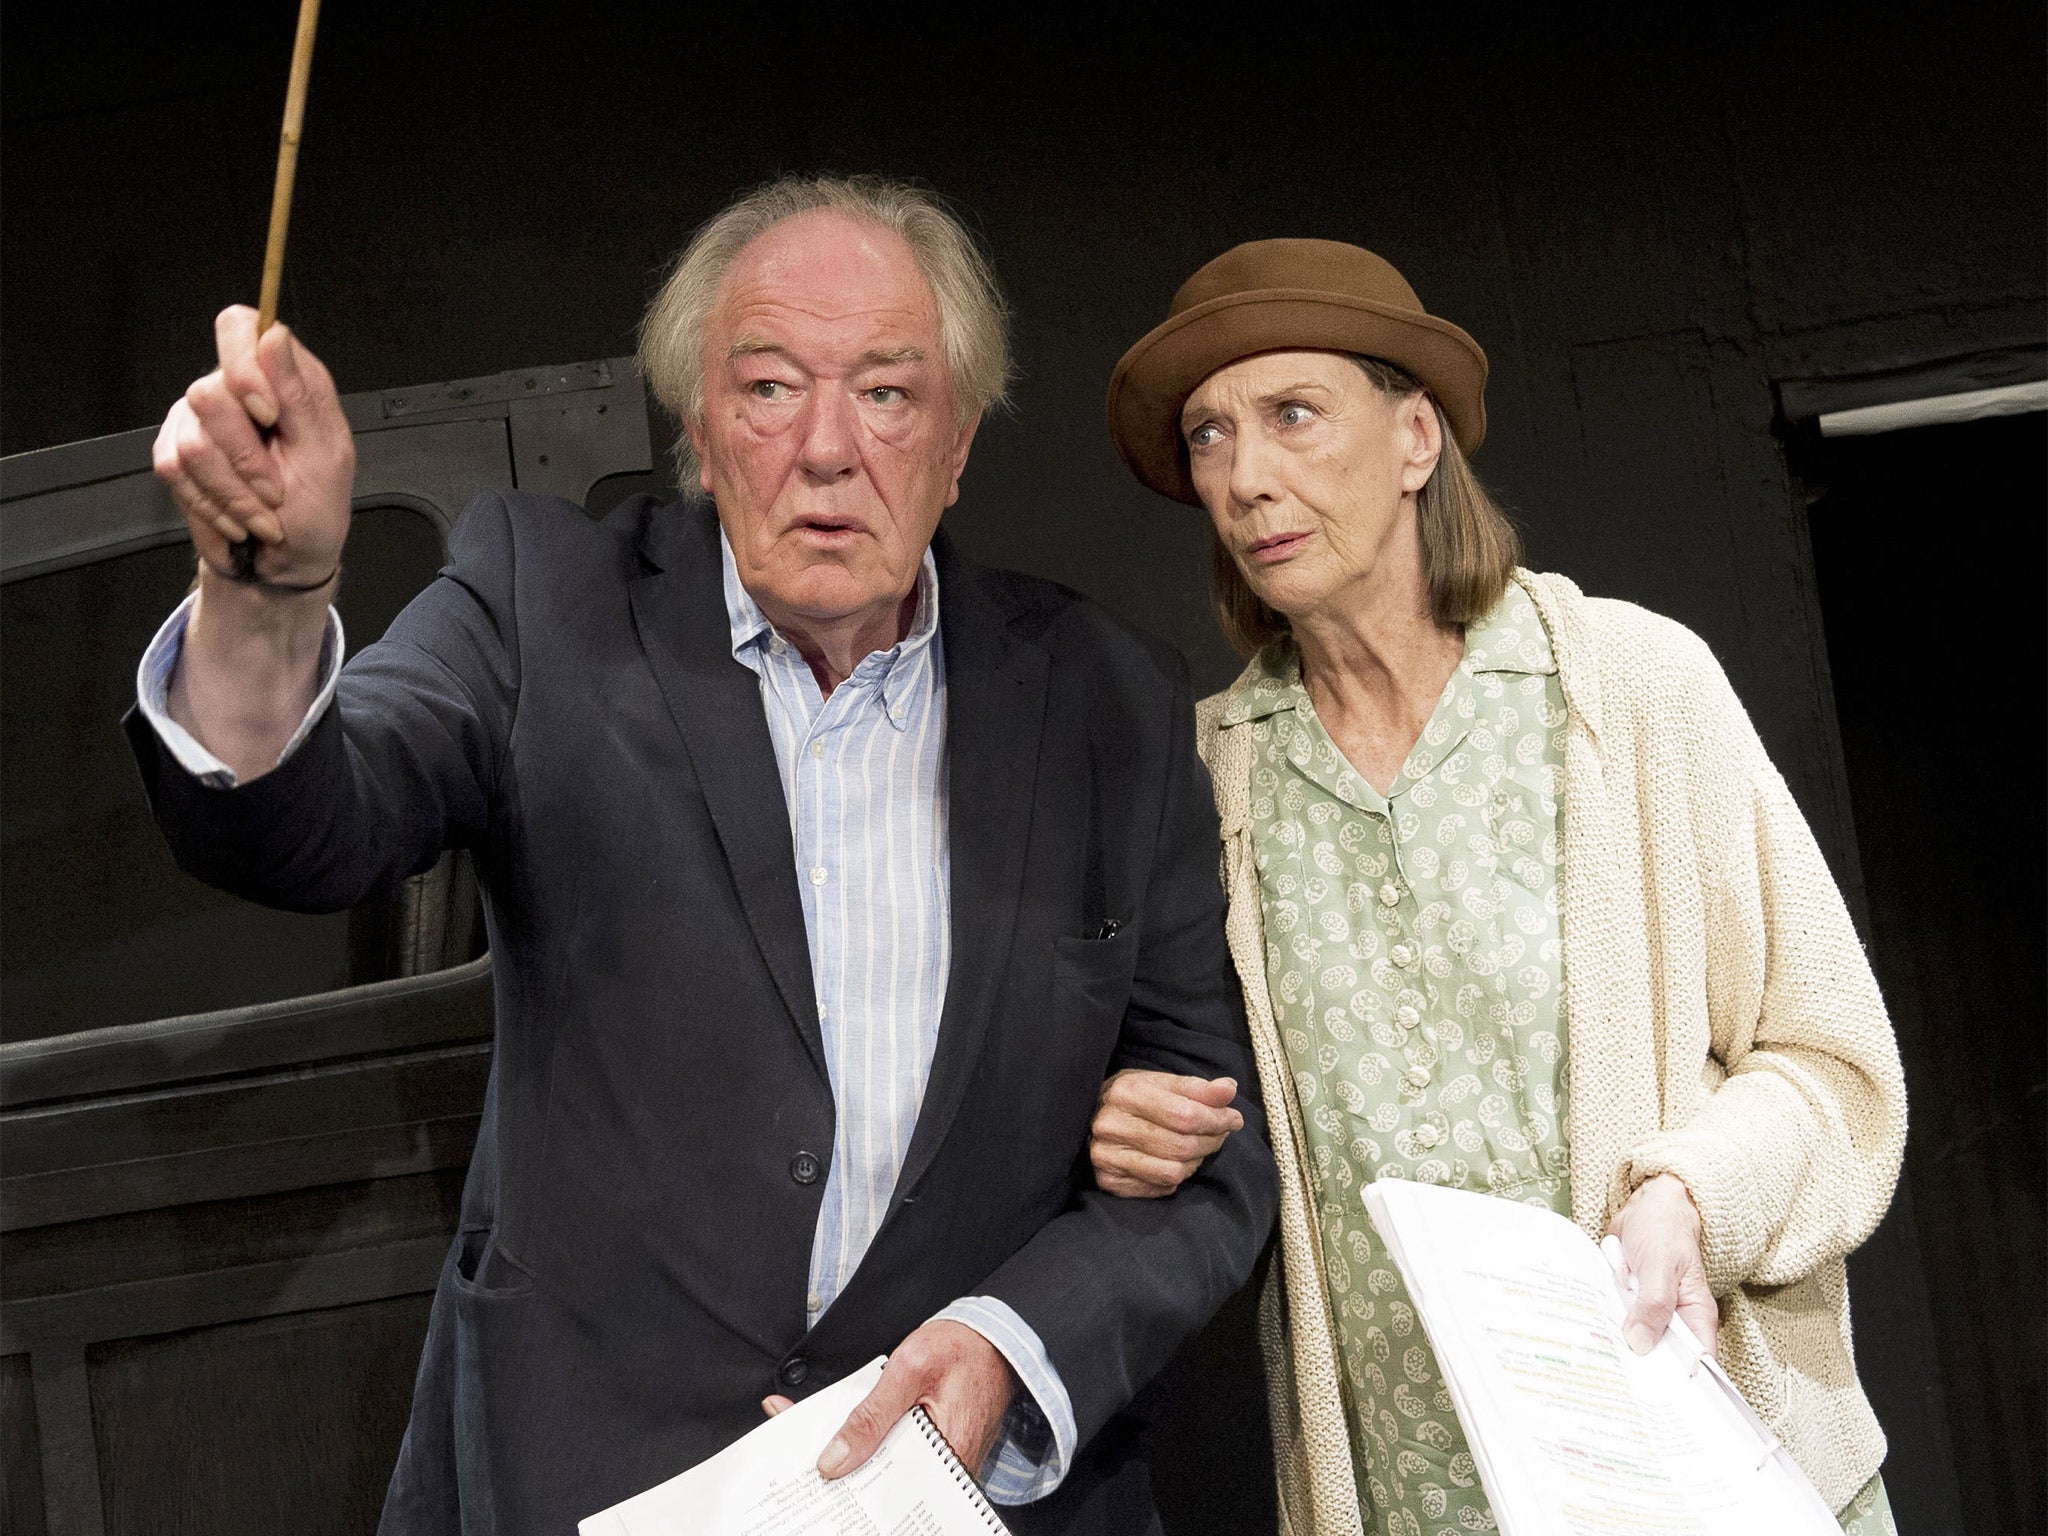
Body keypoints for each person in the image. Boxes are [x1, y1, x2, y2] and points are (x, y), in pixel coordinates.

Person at [128, 175, 1276, 1536]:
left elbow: (1210, 1157)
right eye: (773, 387)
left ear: (960, 442)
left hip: (956, 1498)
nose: (830, 449)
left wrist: (1006, 1351)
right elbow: (312, 827)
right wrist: (269, 596)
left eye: (890, 395)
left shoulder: (1105, 703)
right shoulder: (535, 604)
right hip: (591, 1482)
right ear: (702, 430)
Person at [1086, 238, 1906, 1535]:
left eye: (1294, 415)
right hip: (1417, 1498)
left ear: (1416, 438)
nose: (1247, 477)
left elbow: (1831, 1070)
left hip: (1706, 1459)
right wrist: (1134, 1114)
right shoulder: (1208, 778)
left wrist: (1689, 1195)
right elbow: (1208, 1118)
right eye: (1209, 437)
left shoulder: (1631, 688)